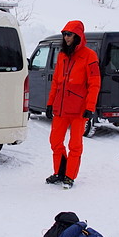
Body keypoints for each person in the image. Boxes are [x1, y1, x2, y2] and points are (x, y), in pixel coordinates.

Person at [45, 20, 100, 189]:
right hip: (61, 109)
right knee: (55, 141)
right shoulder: (62, 55)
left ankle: (69, 176)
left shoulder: (89, 56)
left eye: (69, 34)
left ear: (77, 36)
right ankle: (59, 172)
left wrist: (90, 107)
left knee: (75, 145)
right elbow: (56, 81)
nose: (66, 37)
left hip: (79, 110)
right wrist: (50, 103)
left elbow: (95, 83)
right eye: (64, 34)